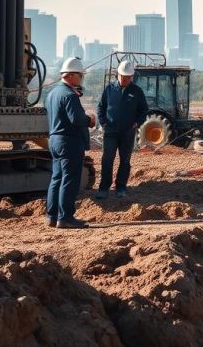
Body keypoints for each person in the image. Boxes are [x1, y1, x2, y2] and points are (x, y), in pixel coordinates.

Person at [45, 57, 95, 228]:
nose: (81, 79)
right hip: (69, 141)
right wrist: (90, 120)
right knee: (70, 179)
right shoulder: (69, 95)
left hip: (54, 140)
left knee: (57, 178)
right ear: (71, 76)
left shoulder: (52, 94)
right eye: (80, 76)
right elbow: (77, 119)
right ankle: (65, 218)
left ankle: (52, 216)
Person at [95, 60, 148, 199]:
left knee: (125, 160)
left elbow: (144, 110)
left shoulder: (137, 91)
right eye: (123, 76)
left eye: (128, 77)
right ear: (117, 74)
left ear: (132, 77)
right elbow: (101, 107)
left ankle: (121, 187)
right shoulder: (109, 89)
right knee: (107, 159)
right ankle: (103, 188)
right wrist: (104, 123)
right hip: (110, 132)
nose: (125, 79)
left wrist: (137, 123)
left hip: (127, 133)